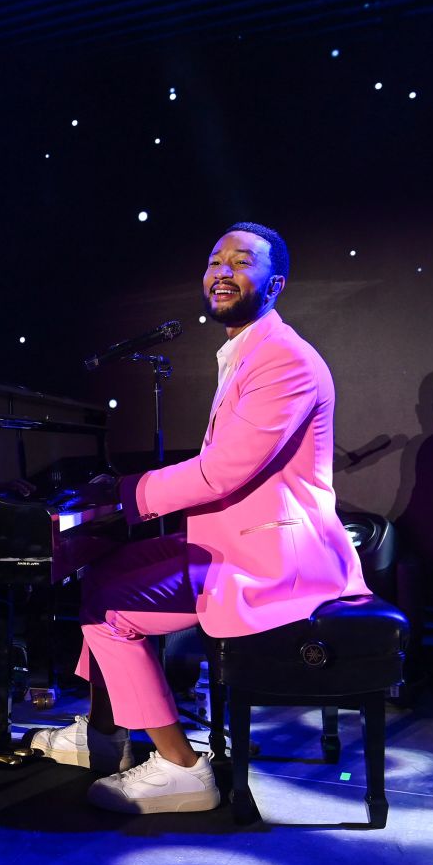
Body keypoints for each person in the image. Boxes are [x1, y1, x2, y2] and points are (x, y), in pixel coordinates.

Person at [30, 222, 370, 814]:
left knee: (108, 609)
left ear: (276, 283)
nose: (221, 271)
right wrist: (120, 499)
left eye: (241, 262)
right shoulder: (247, 352)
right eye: (214, 260)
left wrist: (123, 496)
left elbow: (223, 472)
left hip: (272, 557)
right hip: (231, 539)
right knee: (100, 576)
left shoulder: (285, 360)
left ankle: (181, 768)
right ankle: (105, 731)